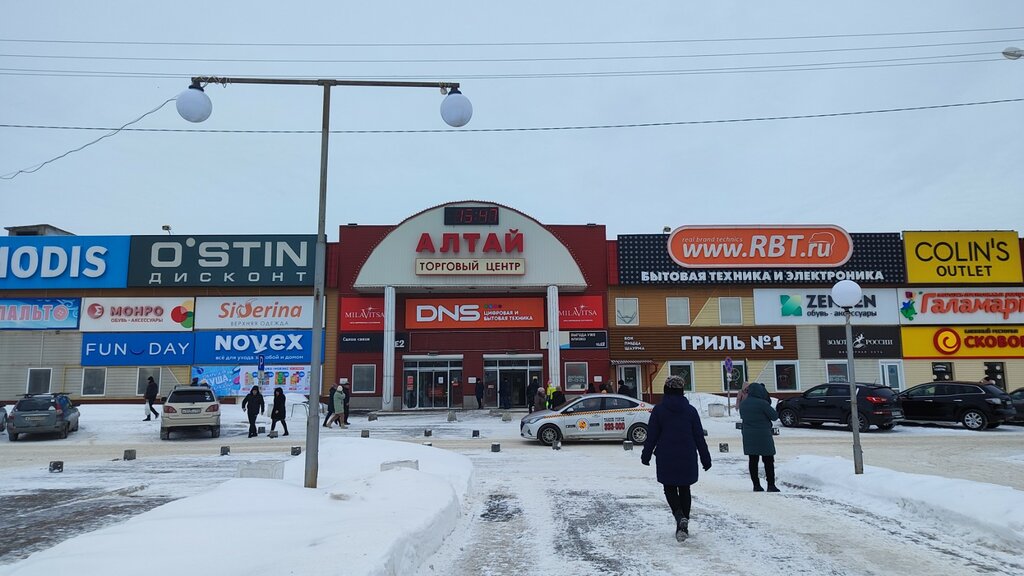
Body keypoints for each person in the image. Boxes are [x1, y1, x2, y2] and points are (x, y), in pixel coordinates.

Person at [640, 375, 712, 543]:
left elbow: (652, 435)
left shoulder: (659, 410)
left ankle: (679, 516)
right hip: (687, 454)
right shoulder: (691, 411)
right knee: (685, 488)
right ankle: (683, 527)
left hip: (666, 455)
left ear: (666, 390)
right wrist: (705, 458)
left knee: (669, 488)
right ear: (682, 391)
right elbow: (699, 437)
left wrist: (646, 455)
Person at [739, 382, 780, 492]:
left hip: (748, 435)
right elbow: (774, 416)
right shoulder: (763, 404)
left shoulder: (743, 404)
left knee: (753, 460)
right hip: (763, 435)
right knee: (768, 460)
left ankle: (756, 485)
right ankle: (771, 485)